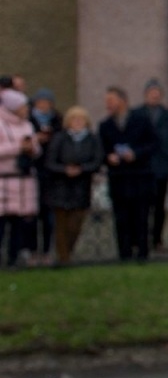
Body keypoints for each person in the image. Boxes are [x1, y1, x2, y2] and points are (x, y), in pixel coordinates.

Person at [99, 86, 157, 262]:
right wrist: (108, 158)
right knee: (121, 219)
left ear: (122, 101)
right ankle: (124, 254)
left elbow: (153, 144)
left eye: (111, 101)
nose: (108, 105)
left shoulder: (142, 120)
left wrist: (136, 154)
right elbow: (100, 150)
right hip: (118, 179)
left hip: (140, 177)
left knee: (141, 217)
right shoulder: (105, 126)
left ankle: (142, 253)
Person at [42, 106, 103, 266]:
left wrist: (82, 169)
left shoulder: (92, 139)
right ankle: (64, 258)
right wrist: (65, 170)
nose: (77, 123)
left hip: (81, 187)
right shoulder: (59, 139)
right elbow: (50, 162)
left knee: (75, 224)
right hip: (60, 187)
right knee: (61, 225)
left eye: (81, 120)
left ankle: (67, 252)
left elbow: (97, 160)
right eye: (74, 120)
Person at [141, 80, 168, 252]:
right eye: (152, 92)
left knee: (159, 206)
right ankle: (141, 239)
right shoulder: (138, 114)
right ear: (146, 94)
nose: (154, 95)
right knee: (142, 206)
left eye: (157, 93)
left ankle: (157, 239)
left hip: (161, 168)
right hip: (142, 169)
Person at [0, 89, 40, 267]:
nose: (26, 110)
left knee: (19, 223)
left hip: (23, 181)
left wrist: (32, 148)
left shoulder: (27, 125)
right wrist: (18, 147)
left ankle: (13, 259)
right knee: (2, 224)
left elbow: (36, 149)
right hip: (4, 181)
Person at [29, 88, 63, 260]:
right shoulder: (28, 121)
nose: (44, 105)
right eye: (41, 102)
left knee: (48, 214)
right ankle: (33, 249)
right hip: (33, 170)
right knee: (32, 214)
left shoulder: (57, 121)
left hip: (51, 173)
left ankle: (47, 250)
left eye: (47, 102)